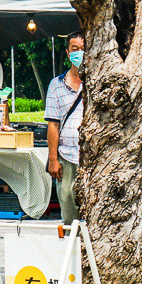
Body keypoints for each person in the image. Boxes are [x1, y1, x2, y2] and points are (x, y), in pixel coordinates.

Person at [45, 31, 84, 225]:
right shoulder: (56, 84)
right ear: (68, 53)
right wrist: (53, 159)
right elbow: (53, 124)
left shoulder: (102, 83)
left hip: (94, 157)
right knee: (67, 201)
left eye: (84, 49)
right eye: (75, 49)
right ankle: (71, 246)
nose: (79, 53)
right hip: (67, 155)